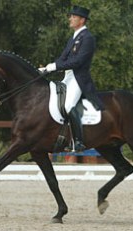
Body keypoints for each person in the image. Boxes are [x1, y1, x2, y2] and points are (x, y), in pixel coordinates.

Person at [39, 5, 104, 152]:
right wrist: (47, 68)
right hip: (68, 76)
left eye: (73, 17)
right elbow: (63, 58)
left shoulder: (88, 38)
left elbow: (78, 62)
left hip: (78, 78)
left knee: (68, 106)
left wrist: (54, 67)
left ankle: (78, 141)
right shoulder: (73, 38)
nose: (70, 19)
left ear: (81, 20)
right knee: (55, 102)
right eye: (71, 16)